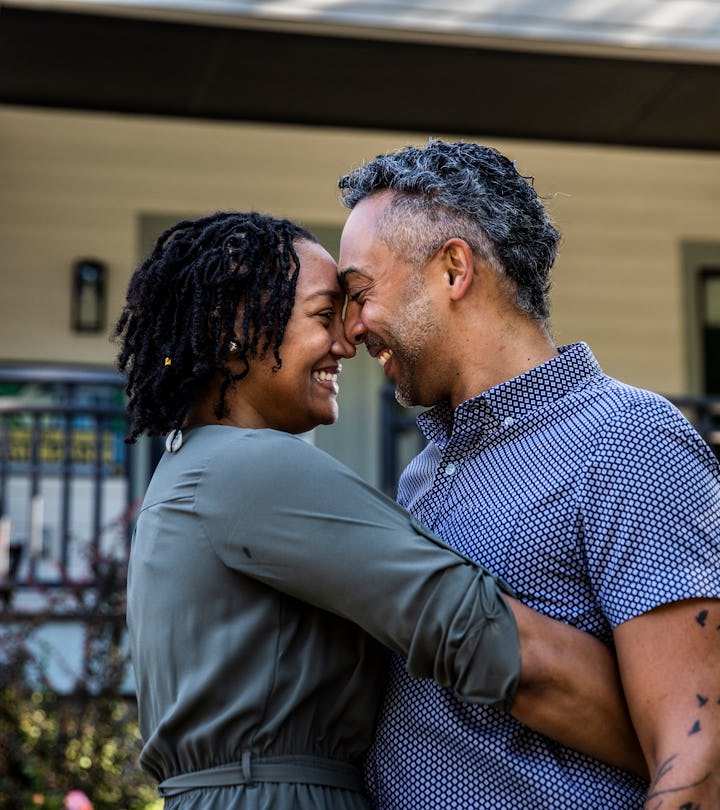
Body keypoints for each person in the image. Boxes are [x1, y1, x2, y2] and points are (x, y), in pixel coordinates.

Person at [115, 211, 645, 810]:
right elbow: (489, 642)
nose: (348, 342)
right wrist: (678, 748)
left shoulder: (190, 470)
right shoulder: (252, 469)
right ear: (232, 327)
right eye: (324, 315)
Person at [337, 140, 720, 809]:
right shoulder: (425, 475)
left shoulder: (630, 441)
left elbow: (698, 757)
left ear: (454, 269)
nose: (351, 328)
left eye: (360, 293)